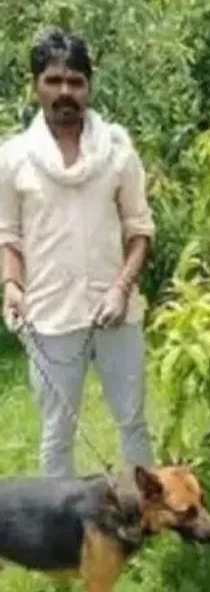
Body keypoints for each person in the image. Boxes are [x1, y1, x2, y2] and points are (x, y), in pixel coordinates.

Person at [0, 29, 156, 478]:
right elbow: (8, 235)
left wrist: (121, 289)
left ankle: (146, 519)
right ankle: (60, 535)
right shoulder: (14, 159)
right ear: (35, 86)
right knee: (56, 435)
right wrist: (12, 285)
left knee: (132, 422)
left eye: (75, 81)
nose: (65, 92)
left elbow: (140, 230)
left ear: (89, 86)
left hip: (116, 313)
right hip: (48, 315)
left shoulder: (118, 153)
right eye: (54, 80)